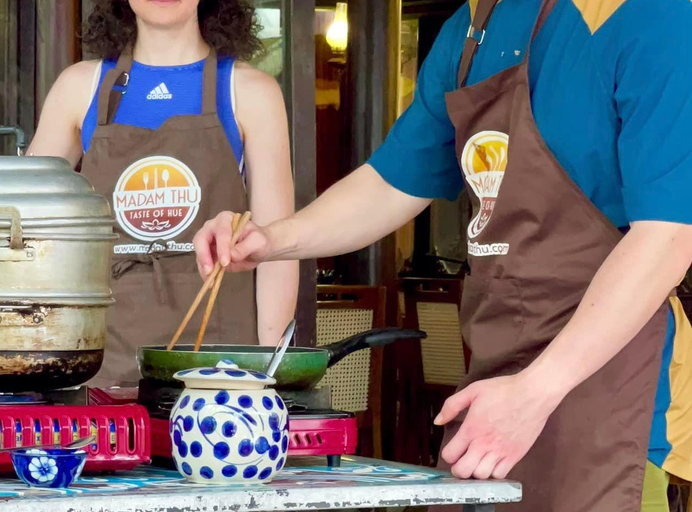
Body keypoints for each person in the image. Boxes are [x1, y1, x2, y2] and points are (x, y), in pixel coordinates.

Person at [193, 0, 692, 510]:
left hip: (613, 388)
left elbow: (669, 236)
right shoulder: (472, 26)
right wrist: (274, 240)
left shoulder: (649, 13)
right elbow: (394, 182)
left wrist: (535, 393)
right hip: (492, 382)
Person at [28, 0, 298, 388]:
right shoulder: (79, 88)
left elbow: (276, 252)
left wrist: (273, 378)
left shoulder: (250, 92)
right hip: (99, 370)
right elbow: (31, 227)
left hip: (221, 378)